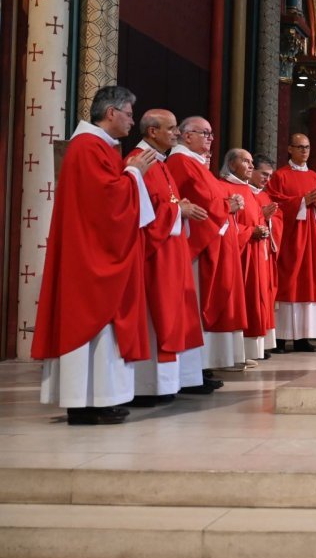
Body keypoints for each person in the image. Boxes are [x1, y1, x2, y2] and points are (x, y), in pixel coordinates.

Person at [32, 86, 157, 425]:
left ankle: (97, 400)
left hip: (94, 249)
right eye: (129, 114)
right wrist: (134, 173)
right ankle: (82, 403)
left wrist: (129, 172)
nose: (133, 121)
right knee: (91, 322)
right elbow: (106, 202)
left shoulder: (97, 146)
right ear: (111, 112)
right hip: (89, 256)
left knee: (104, 330)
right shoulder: (88, 147)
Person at [127, 110, 206, 407]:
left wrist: (178, 207)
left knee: (172, 316)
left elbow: (163, 203)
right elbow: (137, 211)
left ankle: (164, 384)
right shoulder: (139, 161)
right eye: (171, 129)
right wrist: (177, 212)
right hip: (154, 255)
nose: (175, 134)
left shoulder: (159, 162)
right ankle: (147, 386)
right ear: (152, 132)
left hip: (170, 253)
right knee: (155, 317)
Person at [167, 117, 247, 377]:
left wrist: (228, 201)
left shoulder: (194, 163)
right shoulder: (180, 162)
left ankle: (204, 366)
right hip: (200, 247)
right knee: (198, 306)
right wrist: (227, 206)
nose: (211, 138)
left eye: (211, 134)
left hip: (216, 241)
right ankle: (195, 368)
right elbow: (193, 203)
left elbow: (212, 196)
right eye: (205, 133)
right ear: (187, 136)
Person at [266, 133, 316, 352]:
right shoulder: (280, 176)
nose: (304, 151)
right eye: (300, 147)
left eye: (307, 147)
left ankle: (303, 338)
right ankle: (279, 339)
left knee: (310, 284)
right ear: (289, 149)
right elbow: (273, 203)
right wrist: (301, 202)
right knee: (288, 284)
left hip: (312, 241)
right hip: (291, 240)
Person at [220, 148, 274, 364]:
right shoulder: (224, 187)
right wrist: (250, 232)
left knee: (254, 299)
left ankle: (247, 351)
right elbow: (224, 222)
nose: (251, 166)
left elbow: (255, 218)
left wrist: (263, 224)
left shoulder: (247, 190)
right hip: (238, 255)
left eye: (252, 162)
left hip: (253, 253)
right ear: (232, 164)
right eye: (246, 161)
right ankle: (235, 353)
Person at [249, 155, 281, 355]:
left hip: (264, 252)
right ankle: (253, 343)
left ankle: (263, 344)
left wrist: (269, 219)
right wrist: (262, 216)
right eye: (263, 174)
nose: (266, 180)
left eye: (270, 176)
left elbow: (278, 220)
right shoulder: (245, 192)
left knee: (265, 296)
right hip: (251, 251)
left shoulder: (265, 195)